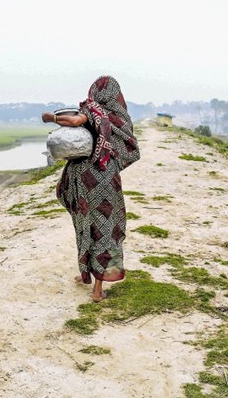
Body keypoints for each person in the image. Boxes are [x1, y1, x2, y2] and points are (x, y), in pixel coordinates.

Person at [41, 75, 140, 302]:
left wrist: (51, 117)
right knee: (105, 228)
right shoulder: (120, 117)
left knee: (85, 224)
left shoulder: (93, 111)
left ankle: (90, 278)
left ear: (95, 92)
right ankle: (95, 285)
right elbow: (127, 148)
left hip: (85, 177)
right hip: (107, 177)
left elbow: (76, 122)